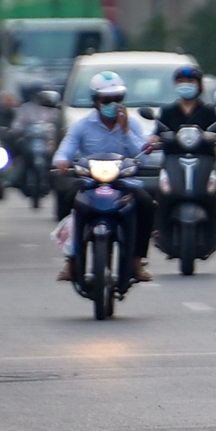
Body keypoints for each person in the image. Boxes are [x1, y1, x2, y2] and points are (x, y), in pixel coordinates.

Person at [53, 73, 155, 283]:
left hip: (124, 183)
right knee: (67, 201)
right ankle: (71, 260)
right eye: (106, 100)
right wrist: (62, 162)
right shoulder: (82, 125)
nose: (112, 105)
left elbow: (144, 158)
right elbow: (64, 151)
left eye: (117, 99)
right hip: (90, 183)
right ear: (95, 101)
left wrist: (125, 130)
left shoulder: (132, 125)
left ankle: (137, 261)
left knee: (146, 204)